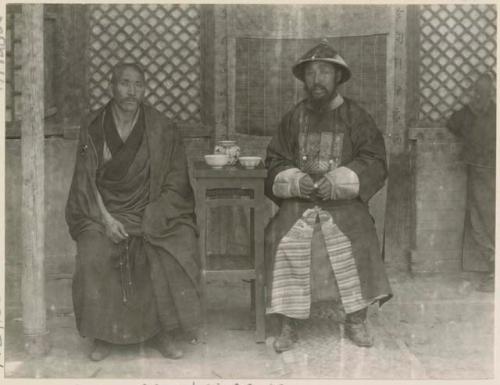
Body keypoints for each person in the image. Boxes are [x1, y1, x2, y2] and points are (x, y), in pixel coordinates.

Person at [65, 62, 201, 361]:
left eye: (138, 84)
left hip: (150, 208)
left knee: (173, 244)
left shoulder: (162, 127)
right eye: (124, 83)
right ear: (111, 87)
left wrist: (154, 213)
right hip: (103, 212)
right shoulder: (94, 127)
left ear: (145, 88)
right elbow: (85, 183)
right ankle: (104, 334)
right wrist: (106, 219)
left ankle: (162, 333)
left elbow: (176, 181)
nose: (131, 90)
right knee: (93, 250)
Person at [265, 41, 392, 352]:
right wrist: (295, 181)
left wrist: (341, 180)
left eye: (324, 71)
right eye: (310, 73)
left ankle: (356, 318)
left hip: (345, 203)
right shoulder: (294, 117)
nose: (316, 79)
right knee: (279, 235)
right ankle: (289, 321)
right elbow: (275, 159)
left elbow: (375, 160)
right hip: (301, 201)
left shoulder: (356, 116)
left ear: (338, 77)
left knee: (359, 235)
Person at [447, 72, 496, 292]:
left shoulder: (469, 113)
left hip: (481, 169)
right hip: (486, 168)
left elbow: (452, 124)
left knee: (483, 217)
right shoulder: (493, 110)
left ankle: (494, 271)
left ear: (475, 92)